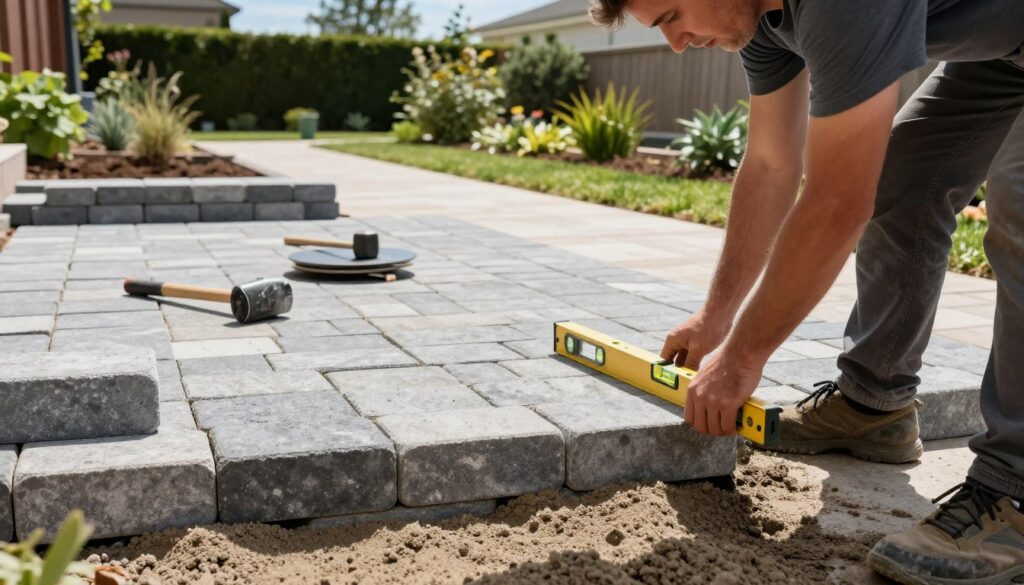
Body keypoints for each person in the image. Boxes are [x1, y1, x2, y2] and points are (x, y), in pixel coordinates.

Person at [585, 0, 1024, 582]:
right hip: (1001, 49)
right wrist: (716, 318)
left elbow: (838, 200)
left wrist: (742, 358)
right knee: (906, 178)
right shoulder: (759, 18)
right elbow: (770, 163)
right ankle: (875, 403)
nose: (676, 43)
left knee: (1020, 208)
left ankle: (1014, 493)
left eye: (670, 16)